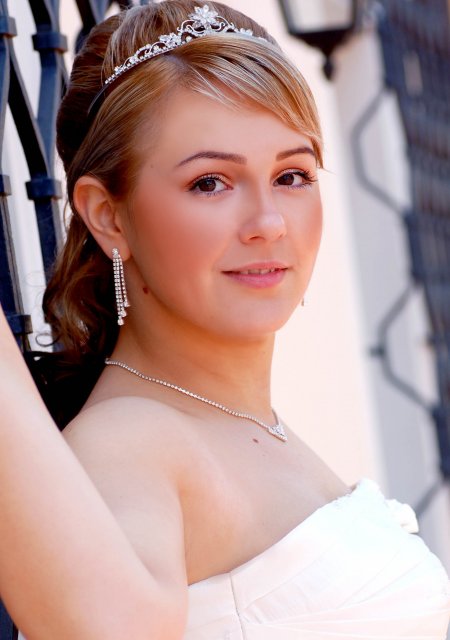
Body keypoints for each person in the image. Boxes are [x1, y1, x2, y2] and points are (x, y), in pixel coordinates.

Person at [0, 1, 449, 638]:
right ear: (107, 215)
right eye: (210, 182)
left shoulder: (254, 427)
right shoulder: (132, 441)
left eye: (292, 175)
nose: (269, 223)